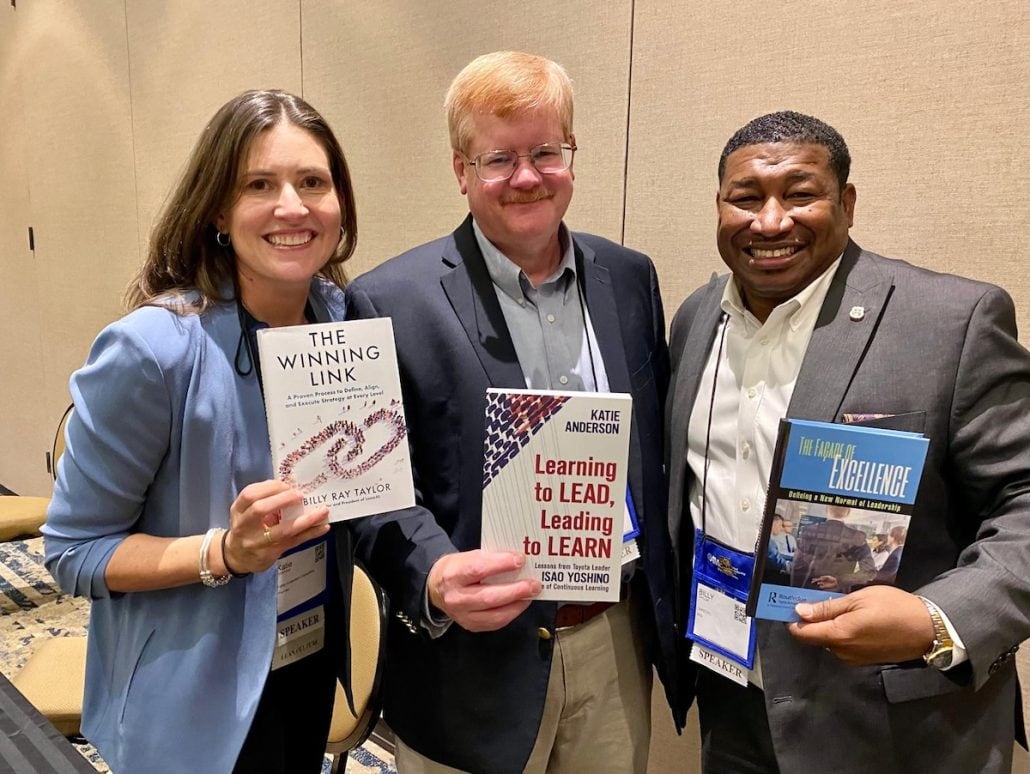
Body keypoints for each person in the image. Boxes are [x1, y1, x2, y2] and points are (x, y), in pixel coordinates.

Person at [341, 51, 682, 773]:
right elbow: (371, 493)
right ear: (461, 170)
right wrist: (435, 576)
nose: (527, 177)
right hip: (472, 657)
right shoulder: (388, 301)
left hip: (615, 640)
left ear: (571, 156)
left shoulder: (630, 277)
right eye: (499, 158)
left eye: (545, 152)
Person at [665, 110, 1030, 772]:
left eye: (800, 194)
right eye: (747, 198)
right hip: (731, 709)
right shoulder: (696, 320)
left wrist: (936, 619)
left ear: (847, 202)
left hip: (894, 723)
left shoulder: (949, 323)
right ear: (719, 207)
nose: (771, 221)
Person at [43, 89, 359, 774]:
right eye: (259, 185)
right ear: (218, 209)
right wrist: (225, 552)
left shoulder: (343, 321)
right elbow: (73, 552)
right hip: (193, 700)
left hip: (305, 657)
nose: (293, 206)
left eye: (313, 182)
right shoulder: (153, 349)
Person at [790, 505, 875, 592]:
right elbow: (869, 572)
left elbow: (797, 566)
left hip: (809, 588)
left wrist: (794, 591)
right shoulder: (857, 537)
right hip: (839, 594)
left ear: (826, 510)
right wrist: (839, 581)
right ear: (848, 512)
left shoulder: (808, 531)